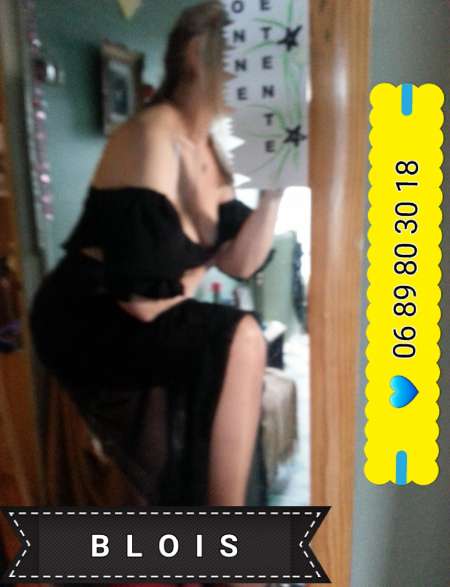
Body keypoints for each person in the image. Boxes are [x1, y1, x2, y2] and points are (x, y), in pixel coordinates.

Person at [30, 4, 282, 585]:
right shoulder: (151, 134)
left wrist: (273, 193)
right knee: (239, 339)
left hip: (143, 311)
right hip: (87, 313)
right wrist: (195, 280)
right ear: (197, 54)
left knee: (223, 363)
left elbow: (240, 262)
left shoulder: (210, 152)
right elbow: (139, 299)